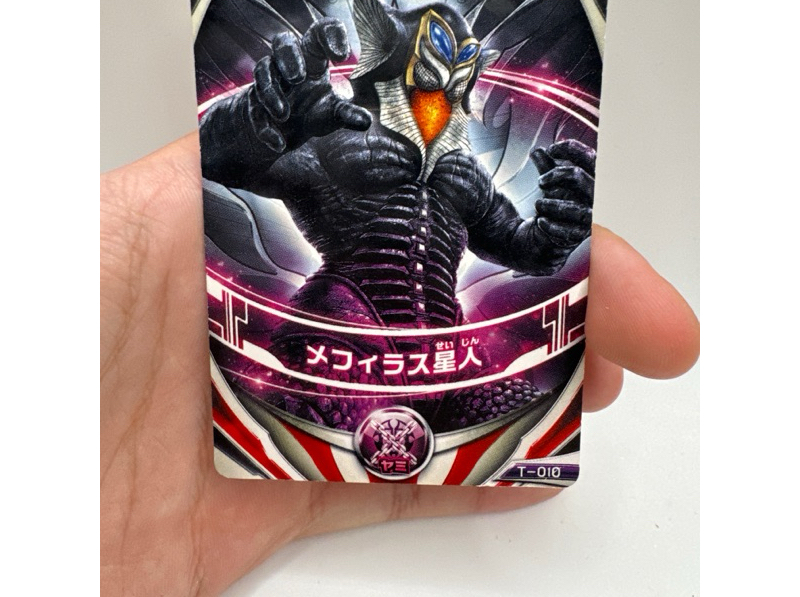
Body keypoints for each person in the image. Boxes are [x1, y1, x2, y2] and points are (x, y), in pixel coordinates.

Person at [100, 133, 699, 597]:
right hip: (344, 328)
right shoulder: (335, 143)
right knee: (296, 439)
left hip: (446, 349)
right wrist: (264, 110)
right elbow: (235, 158)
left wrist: (563, 217)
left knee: (523, 427)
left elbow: (530, 249)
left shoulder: (461, 176)